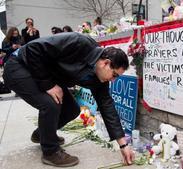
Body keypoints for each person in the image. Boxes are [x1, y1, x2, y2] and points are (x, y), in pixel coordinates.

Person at [3, 32, 134, 167]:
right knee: (51, 104)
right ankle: (50, 152)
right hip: (19, 65)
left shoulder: (100, 79)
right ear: (106, 63)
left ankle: (42, 134)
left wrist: (123, 144)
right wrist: (48, 85)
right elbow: (33, 49)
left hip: (44, 74)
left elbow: (107, 106)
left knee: (71, 109)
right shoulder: (79, 43)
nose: (113, 80)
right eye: (114, 75)